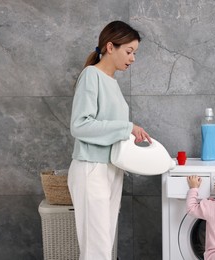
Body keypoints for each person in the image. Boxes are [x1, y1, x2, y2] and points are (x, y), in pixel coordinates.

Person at [67, 21, 151, 260]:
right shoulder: (91, 75)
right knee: (97, 248)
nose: (133, 58)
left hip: (111, 169)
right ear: (110, 46)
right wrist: (128, 128)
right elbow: (80, 125)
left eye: (135, 53)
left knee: (103, 247)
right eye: (129, 51)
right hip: (91, 168)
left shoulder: (111, 82)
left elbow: (111, 129)